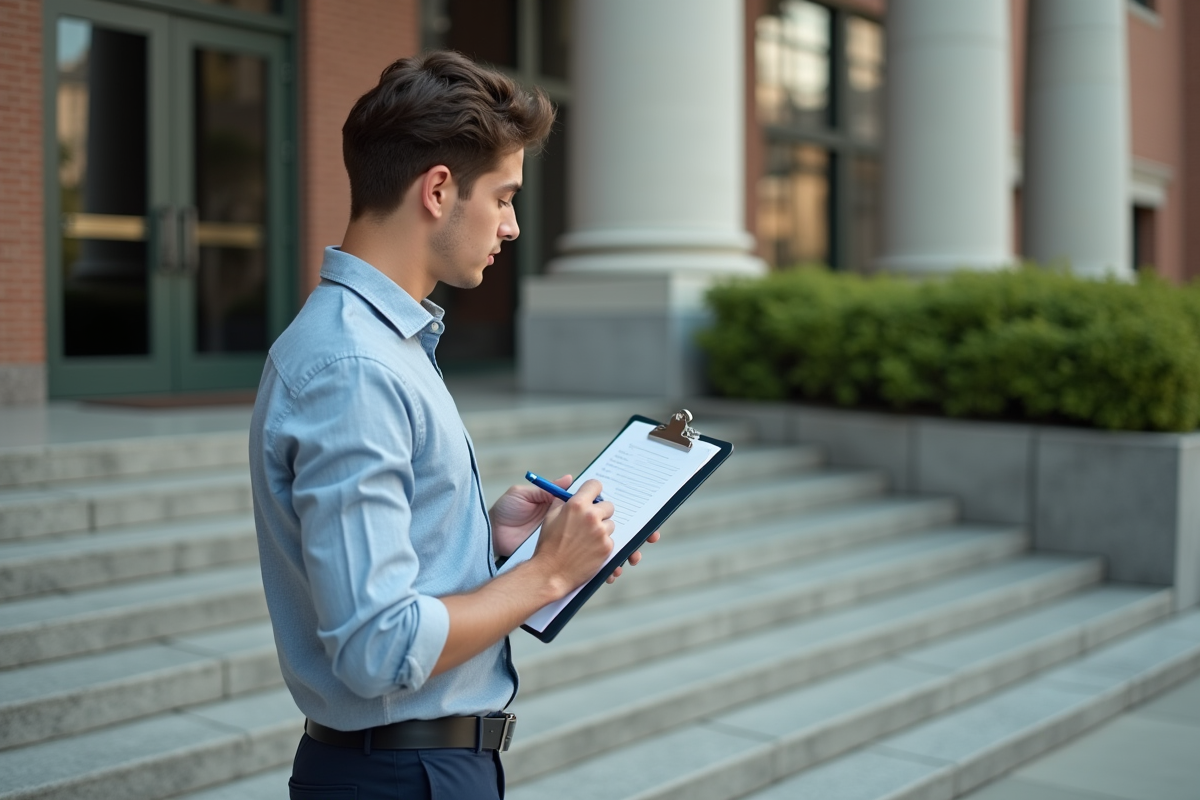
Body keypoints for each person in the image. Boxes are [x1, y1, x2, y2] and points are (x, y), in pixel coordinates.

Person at [249, 51, 655, 799]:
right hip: (404, 775)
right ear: (438, 189)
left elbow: (388, 569)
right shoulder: (355, 368)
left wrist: (489, 538)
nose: (512, 226)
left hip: (410, 766)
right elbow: (377, 646)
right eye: (503, 198)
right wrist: (547, 573)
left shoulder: (378, 344)